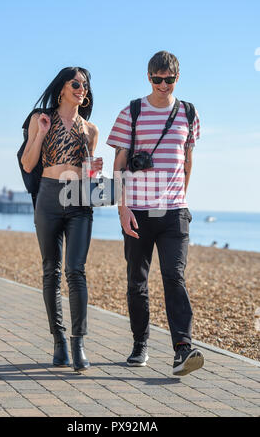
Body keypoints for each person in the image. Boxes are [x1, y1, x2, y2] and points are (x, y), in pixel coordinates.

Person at [107, 51, 204, 376]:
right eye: (157, 79)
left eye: (169, 80)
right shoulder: (130, 112)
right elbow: (119, 165)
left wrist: (181, 198)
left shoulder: (189, 113)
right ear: (149, 78)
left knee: (174, 276)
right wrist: (123, 208)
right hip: (137, 211)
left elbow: (188, 161)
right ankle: (140, 344)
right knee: (137, 281)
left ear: (178, 78)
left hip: (174, 211)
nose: (163, 85)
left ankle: (182, 349)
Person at [21, 67, 102, 372]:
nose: (82, 88)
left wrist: (95, 170)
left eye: (85, 85)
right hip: (49, 196)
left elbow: (90, 176)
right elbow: (29, 164)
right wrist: (41, 132)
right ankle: (59, 341)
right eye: (76, 84)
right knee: (50, 272)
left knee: (76, 271)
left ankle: (79, 342)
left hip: (79, 199)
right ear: (63, 89)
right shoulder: (40, 119)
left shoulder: (91, 130)